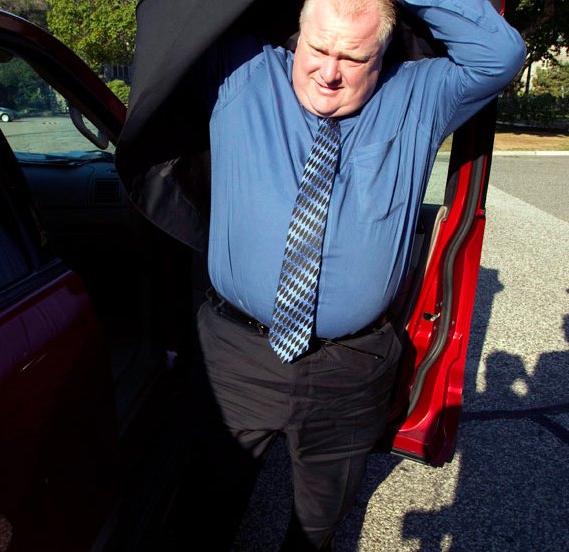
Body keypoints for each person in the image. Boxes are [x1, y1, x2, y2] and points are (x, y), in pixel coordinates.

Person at [182, 0, 526, 550]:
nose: (329, 72)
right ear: (298, 31)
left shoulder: (417, 95)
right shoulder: (244, 72)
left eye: (354, 57)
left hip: (350, 369)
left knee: (320, 522)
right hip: (236, 354)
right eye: (318, 48)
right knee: (205, 508)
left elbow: (501, 54)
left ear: (383, 53)